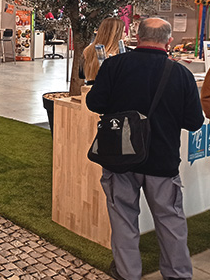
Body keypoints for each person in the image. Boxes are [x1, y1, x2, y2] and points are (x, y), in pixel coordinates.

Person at [86, 18, 204, 280]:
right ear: (169, 41)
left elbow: (95, 103)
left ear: (137, 37)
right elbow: (194, 122)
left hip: (119, 157)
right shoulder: (181, 74)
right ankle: (177, 275)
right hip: (162, 161)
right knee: (171, 222)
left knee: (123, 219)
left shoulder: (114, 66)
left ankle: (128, 273)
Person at [80, 17, 125, 84]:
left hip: (92, 87)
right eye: (123, 32)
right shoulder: (118, 55)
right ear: (116, 34)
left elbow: (81, 74)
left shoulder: (87, 51)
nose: (125, 34)